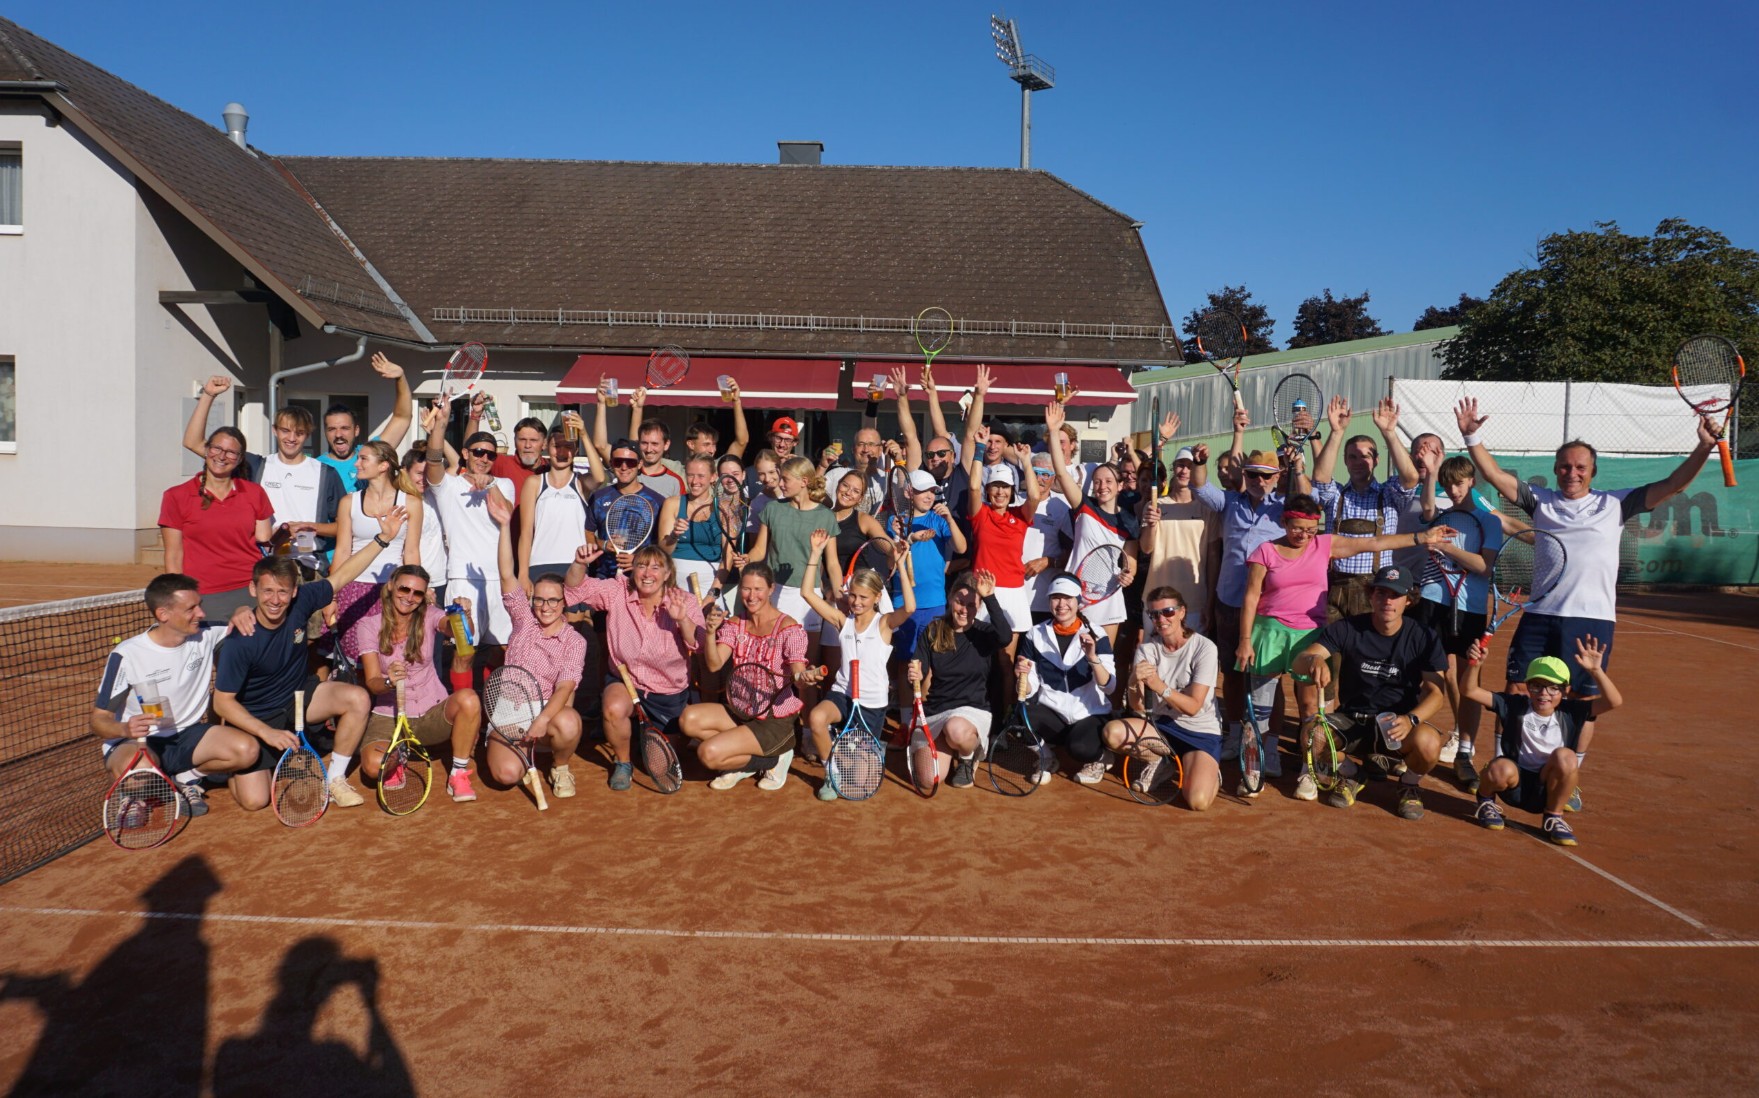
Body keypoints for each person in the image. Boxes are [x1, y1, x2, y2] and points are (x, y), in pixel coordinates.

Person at [1457, 398, 1719, 806]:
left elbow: (1674, 485)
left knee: (1580, 701)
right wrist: (1471, 434)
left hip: (1592, 619)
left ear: (1593, 471)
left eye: (1580, 467)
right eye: (1564, 466)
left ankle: (1570, 774)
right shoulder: (1541, 501)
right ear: (1557, 469)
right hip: (1541, 612)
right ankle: (1503, 764)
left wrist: (1703, 446)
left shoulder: (1615, 503)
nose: (1571, 473)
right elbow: (1492, 474)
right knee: (1515, 688)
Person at [1237, 494, 1458, 800]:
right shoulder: (1266, 551)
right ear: (1284, 522)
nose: (1304, 535)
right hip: (1269, 631)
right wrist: (1245, 640)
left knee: (1310, 707)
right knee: (1263, 705)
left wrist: (1422, 537)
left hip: (1309, 636)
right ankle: (1263, 761)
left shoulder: (1323, 545)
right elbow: (1250, 596)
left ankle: (1310, 770)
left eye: (1311, 529)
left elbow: (1376, 544)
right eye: (1297, 528)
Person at [212, 508, 405, 809]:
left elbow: (343, 575)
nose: (275, 600)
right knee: (255, 801)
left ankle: (335, 779)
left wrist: (382, 539)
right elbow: (222, 702)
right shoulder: (241, 640)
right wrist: (266, 733)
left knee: (357, 698)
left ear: (294, 592)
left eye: (282, 592)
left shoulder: (302, 602)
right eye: (268, 591)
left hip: (298, 699)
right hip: (257, 718)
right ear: (253, 590)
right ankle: (232, 760)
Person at [92, 573, 266, 816]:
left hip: (189, 735)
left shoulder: (208, 634)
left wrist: (242, 608)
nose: (201, 614)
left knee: (247, 750)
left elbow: (247, 619)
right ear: (163, 614)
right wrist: (125, 729)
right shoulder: (127, 655)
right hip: (138, 742)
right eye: (191, 609)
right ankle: (132, 794)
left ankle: (186, 778)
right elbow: (99, 720)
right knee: (139, 771)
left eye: (200, 605)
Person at [1289, 565, 1449, 820]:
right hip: (1352, 719)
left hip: (1395, 725)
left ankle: (1409, 784)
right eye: (1381, 593)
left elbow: (1436, 693)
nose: (1387, 601)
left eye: (1395, 595)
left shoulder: (1423, 636)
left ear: (1408, 600)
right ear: (1371, 595)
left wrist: (1411, 719)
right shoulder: (1349, 628)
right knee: (1312, 735)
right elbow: (1300, 660)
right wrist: (1313, 661)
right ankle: (1353, 773)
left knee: (1429, 743)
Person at [1194, 408, 1300, 745]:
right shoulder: (1229, 502)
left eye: (1266, 476)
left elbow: (1307, 500)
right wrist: (1200, 463)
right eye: (1253, 475)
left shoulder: (1283, 510)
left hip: (1269, 608)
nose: (1259, 481)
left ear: (1276, 477)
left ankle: (1269, 741)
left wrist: (1298, 461)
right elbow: (1200, 488)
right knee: (1234, 674)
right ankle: (1236, 734)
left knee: (1269, 677)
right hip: (1229, 603)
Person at [562, 543, 705, 791]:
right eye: (641, 565)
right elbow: (575, 589)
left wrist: (682, 619)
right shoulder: (618, 590)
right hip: (626, 681)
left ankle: (643, 735)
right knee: (613, 708)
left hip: (667, 690)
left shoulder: (684, 600)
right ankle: (623, 762)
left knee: (659, 766)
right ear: (633, 569)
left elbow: (699, 644)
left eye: (655, 567)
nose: (647, 573)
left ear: (668, 574)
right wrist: (579, 563)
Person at [1460, 637, 1621, 846]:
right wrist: (1476, 665)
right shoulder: (1514, 704)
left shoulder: (1571, 711)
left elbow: (1614, 701)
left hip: (1548, 788)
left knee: (1567, 757)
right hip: (1513, 785)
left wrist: (1596, 671)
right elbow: (1469, 691)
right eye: (1536, 686)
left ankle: (1553, 816)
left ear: (1565, 690)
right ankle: (1486, 800)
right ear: (1527, 686)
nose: (1544, 694)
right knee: (1499, 767)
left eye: (1553, 688)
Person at [683, 563, 826, 791]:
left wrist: (805, 677)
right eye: (746, 589)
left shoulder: (788, 628)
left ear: (771, 589)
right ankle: (748, 759)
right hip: (741, 710)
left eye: (758, 589)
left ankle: (773, 759)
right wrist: (710, 634)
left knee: (708, 753)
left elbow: (798, 675)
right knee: (688, 718)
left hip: (772, 719)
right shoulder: (734, 624)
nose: (752, 596)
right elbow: (714, 664)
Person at [349, 564, 485, 802]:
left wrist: (463, 616)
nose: (410, 597)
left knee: (469, 699)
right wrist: (390, 681)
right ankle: (397, 756)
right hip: (389, 716)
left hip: (431, 712)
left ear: (423, 597)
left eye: (418, 593)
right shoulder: (368, 626)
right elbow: (372, 682)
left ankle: (459, 773)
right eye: (404, 589)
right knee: (372, 767)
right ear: (391, 586)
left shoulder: (431, 615)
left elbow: (460, 634)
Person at [800, 528, 916, 799]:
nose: (856, 602)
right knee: (816, 718)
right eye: (853, 595)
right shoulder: (843, 621)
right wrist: (815, 553)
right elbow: (807, 593)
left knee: (861, 778)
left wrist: (899, 565)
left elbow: (909, 608)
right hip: (842, 693)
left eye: (864, 597)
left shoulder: (884, 624)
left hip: (872, 704)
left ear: (877, 598)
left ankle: (866, 748)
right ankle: (832, 772)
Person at [484, 493, 586, 798]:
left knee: (568, 722)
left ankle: (560, 766)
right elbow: (506, 574)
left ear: (565, 602)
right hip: (508, 712)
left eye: (553, 600)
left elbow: (565, 688)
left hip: (546, 713)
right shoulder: (523, 620)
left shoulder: (574, 640)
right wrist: (504, 527)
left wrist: (541, 720)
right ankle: (511, 748)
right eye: (539, 599)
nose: (544, 606)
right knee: (506, 775)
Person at [181, 377, 345, 556]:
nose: (291, 438)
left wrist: (311, 527)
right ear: (274, 430)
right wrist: (208, 395)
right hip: (264, 563)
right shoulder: (257, 465)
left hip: (310, 565)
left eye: (299, 433)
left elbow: (344, 526)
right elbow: (192, 442)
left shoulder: (325, 473)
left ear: (307, 435)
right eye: (285, 431)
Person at [1414, 455, 1499, 789]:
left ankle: (1464, 751)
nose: (1453, 489)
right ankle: (1408, 741)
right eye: (1448, 484)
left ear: (1472, 482)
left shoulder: (1488, 521)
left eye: (1459, 483)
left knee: (1468, 683)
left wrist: (1446, 548)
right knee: (1429, 678)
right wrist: (1431, 472)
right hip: (1433, 602)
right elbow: (1426, 504)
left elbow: (1483, 566)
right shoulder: (1442, 516)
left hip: (1471, 610)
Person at [1102, 586, 1224, 811]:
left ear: (1181, 612)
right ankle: (1159, 762)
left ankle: (1204, 769)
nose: (1161, 619)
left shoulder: (1204, 648)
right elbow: (1138, 707)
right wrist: (1132, 682)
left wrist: (1158, 685)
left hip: (1200, 731)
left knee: (1198, 801)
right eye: (1154, 614)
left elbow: (1194, 707)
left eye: (1168, 612)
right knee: (1113, 733)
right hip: (1160, 728)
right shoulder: (1147, 650)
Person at [1310, 397, 1421, 622]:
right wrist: (1336, 432)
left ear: (1376, 460)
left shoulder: (1389, 495)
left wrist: (1389, 433)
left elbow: (1411, 477)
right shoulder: (1337, 496)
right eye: (1352, 457)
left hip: (1375, 589)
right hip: (1333, 588)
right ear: (1345, 461)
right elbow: (1321, 477)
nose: (1359, 461)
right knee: (1332, 653)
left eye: (1365, 456)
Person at [424, 401, 518, 648]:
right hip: (462, 579)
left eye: (490, 454)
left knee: (502, 649)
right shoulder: (449, 487)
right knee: (463, 650)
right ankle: (462, 690)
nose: (484, 458)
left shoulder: (503, 484)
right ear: (465, 454)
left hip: (499, 579)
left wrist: (489, 484)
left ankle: (493, 689)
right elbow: (433, 462)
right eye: (478, 452)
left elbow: (505, 513)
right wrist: (440, 426)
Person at [907, 570, 1012, 788]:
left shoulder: (986, 634)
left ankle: (967, 756)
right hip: (938, 711)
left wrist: (990, 597)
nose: (964, 610)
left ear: (979, 607)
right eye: (959, 602)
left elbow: (1006, 636)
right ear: (950, 598)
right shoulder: (934, 630)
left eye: (971, 605)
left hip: (972, 711)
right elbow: (919, 666)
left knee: (956, 729)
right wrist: (914, 674)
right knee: (928, 780)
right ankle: (949, 745)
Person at [1045, 400, 1139, 644]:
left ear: (1120, 486)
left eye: (1108, 481)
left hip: (1109, 597)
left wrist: (1129, 575)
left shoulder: (1128, 520)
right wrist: (1054, 431)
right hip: (1074, 592)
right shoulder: (1084, 506)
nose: (1102, 486)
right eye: (1097, 481)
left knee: (1104, 660)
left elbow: (1131, 562)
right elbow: (1061, 472)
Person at [158, 425, 274, 621]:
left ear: (239, 459)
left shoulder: (255, 492)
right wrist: (180, 598)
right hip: (203, 597)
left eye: (230, 452)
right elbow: (173, 555)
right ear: (206, 450)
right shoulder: (175, 496)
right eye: (216, 448)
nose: (221, 456)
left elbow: (264, 536)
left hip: (251, 593)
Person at [1015, 574, 1116, 786]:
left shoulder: (1097, 634)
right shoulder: (1035, 633)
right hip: (1053, 712)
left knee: (1080, 748)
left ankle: (1100, 757)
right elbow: (1030, 690)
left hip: (1090, 713)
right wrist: (1022, 677)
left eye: (1068, 598)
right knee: (1019, 718)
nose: (1061, 604)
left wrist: (1092, 658)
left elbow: (1109, 686)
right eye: (1055, 598)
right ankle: (1047, 758)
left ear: (1078, 601)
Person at [329, 440, 424, 658]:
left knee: (390, 658)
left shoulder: (411, 503)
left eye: (363, 458)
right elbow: (342, 551)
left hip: (393, 591)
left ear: (383, 466)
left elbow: (411, 552)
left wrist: (415, 591)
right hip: (353, 588)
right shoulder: (348, 502)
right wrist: (331, 597)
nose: (356, 464)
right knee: (354, 660)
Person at [963, 421, 1043, 652]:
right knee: (978, 656)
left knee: (1006, 660)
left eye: (1005, 487)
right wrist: (979, 448)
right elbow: (973, 488)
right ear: (989, 490)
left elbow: (1035, 497)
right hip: (983, 588)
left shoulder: (1019, 516)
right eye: (995, 486)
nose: (1000, 492)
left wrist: (1026, 462)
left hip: (1013, 590)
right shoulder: (981, 514)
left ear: (1012, 491)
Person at [747, 455, 840, 650]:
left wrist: (840, 595)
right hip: (775, 590)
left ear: (804, 481)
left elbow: (832, 563)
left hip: (810, 594)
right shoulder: (772, 509)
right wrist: (746, 558)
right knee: (773, 653)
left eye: (785, 479)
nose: (779, 484)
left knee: (807, 657)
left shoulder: (825, 515)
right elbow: (759, 550)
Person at [1138, 412, 1219, 633]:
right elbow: (1146, 548)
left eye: (1190, 466)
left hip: (1194, 601)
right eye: (1180, 465)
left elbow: (1212, 559)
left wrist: (1209, 603)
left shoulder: (1208, 509)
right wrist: (1152, 525)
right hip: (1155, 598)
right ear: (1174, 470)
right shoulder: (1155, 505)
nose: (1185, 470)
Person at [816, 467, 897, 651]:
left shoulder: (864, 520)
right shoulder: (820, 517)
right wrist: (829, 591)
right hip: (832, 593)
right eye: (845, 485)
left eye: (855, 491)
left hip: (864, 590)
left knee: (873, 653)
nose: (848, 492)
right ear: (837, 486)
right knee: (834, 655)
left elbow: (888, 547)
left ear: (860, 498)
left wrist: (898, 548)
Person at [519, 416, 601, 587]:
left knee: (575, 615)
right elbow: (526, 533)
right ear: (547, 448)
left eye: (568, 446)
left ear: (576, 450)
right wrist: (523, 573)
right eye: (557, 446)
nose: (562, 452)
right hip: (539, 565)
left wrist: (584, 434)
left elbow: (600, 477)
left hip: (576, 563)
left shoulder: (581, 483)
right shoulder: (534, 483)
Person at [317, 353, 414, 494]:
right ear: (325, 432)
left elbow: (402, 417)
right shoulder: (316, 467)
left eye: (345, 428)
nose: (338, 434)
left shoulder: (372, 454)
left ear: (356, 430)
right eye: (332, 429)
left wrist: (400, 379)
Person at [666, 454, 732, 602]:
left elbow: (728, 557)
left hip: (711, 587)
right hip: (675, 587)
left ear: (713, 477)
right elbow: (664, 551)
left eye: (701, 476)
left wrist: (712, 595)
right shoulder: (672, 504)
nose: (695, 481)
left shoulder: (725, 508)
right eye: (690, 475)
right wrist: (674, 535)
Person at [1022, 451, 1072, 623]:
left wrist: (1048, 562)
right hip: (1013, 594)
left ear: (1054, 478)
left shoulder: (1061, 508)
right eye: (1034, 472)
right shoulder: (1012, 501)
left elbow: (1072, 554)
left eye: (1045, 474)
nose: (1038, 479)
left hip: (1043, 600)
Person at [400, 447, 451, 607]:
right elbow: (406, 549)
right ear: (405, 471)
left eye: (428, 473)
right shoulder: (399, 501)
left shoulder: (436, 495)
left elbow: (456, 463)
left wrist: (438, 431)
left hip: (442, 579)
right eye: (419, 473)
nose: (424, 478)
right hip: (415, 584)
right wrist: (419, 583)